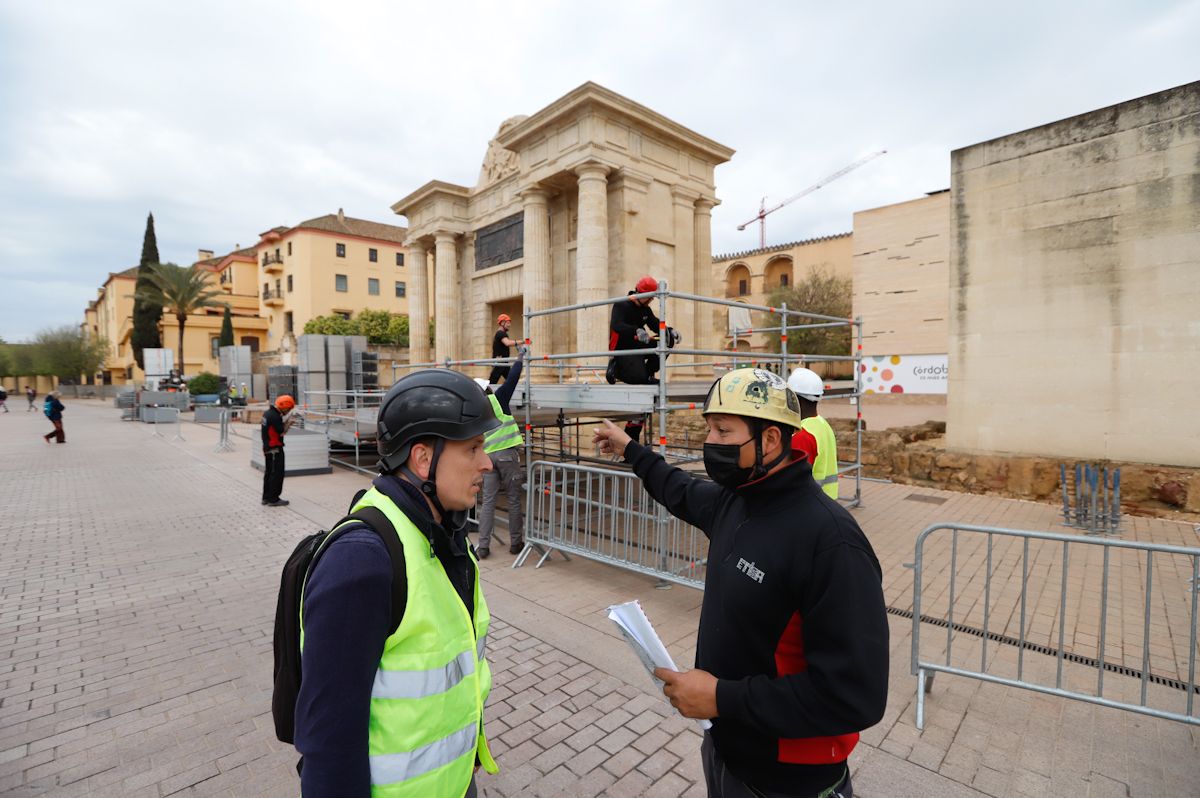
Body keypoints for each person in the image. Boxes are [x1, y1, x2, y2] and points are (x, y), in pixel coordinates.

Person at [593, 368, 888, 798]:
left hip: (789, 781)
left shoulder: (831, 542)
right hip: (726, 751)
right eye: (709, 428)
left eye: (723, 431)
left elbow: (855, 695)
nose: (710, 442)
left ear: (770, 440)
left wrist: (723, 698)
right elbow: (679, 489)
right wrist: (631, 450)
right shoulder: (737, 500)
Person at [294, 368, 501, 797]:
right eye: (474, 448)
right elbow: (328, 742)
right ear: (423, 458)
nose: (487, 463)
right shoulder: (361, 561)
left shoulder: (443, 533)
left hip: (455, 782)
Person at [474, 352, 526, 559]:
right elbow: (512, 378)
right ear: (488, 388)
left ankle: (484, 546)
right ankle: (516, 543)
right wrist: (521, 358)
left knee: (488, 501)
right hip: (507, 456)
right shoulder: (499, 399)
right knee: (513, 499)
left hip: (488, 459)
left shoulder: (476, 410)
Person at [787, 367, 839, 500]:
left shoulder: (802, 436)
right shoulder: (823, 425)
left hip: (808, 505)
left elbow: (793, 482)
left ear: (795, 398)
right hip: (827, 503)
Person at [261, 394, 296, 506]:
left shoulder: (267, 414)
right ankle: (273, 499)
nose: (288, 411)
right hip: (275, 449)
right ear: (284, 407)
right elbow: (281, 431)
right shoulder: (275, 416)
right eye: (289, 409)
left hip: (268, 448)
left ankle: (266, 497)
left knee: (269, 473)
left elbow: (275, 428)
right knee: (277, 474)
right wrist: (290, 422)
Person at [488, 314, 518, 385]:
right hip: (499, 362)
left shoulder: (501, 333)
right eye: (508, 323)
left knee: (512, 381)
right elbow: (507, 343)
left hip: (503, 362)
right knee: (491, 383)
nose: (509, 325)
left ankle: (506, 395)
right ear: (502, 323)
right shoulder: (500, 333)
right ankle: (487, 396)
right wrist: (522, 341)